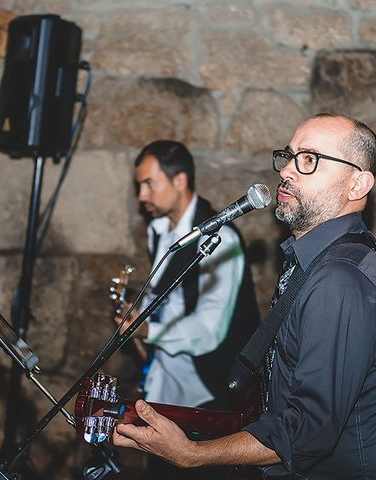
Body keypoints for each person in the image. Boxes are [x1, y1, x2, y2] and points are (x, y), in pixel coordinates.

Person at [113, 115, 376, 479]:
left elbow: (306, 432)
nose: (287, 170)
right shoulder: (314, 262)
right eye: (288, 157)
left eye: (309, 160)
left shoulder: (341, 279)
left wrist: (192, 454)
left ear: (358, 184)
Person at [116, 140, 260, 478]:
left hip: (208, 396)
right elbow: (168, 302)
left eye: (149, 183)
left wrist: (150, 330)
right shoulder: (161, 232)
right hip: (166, 389)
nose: (141, 195)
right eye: (139, 185)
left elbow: (208, 328)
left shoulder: (221, 238)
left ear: (180, 180)